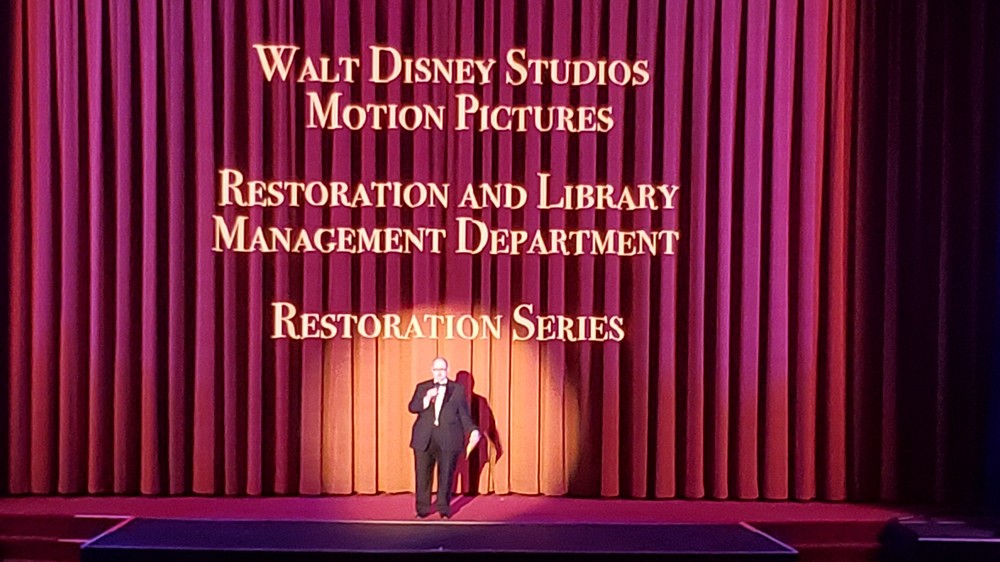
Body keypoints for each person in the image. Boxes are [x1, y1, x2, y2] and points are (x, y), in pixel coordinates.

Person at [408, 357, 480, 518]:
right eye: (436, 369)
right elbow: (412, 407)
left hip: (448, 438)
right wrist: (427, 398)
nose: (439, 373)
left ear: (447, 370)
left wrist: (473, 430)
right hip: (424, 438)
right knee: (422, 475)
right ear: (431, 370)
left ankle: (443, 509)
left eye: (442, 369)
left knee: (446, 475)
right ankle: (422, 510)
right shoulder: (422, 387)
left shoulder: (458, 390)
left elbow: (464, 414)